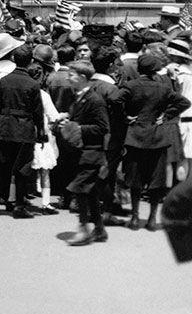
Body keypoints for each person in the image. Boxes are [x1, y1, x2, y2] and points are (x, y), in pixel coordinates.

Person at [121, 49, 190, 230]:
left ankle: (135, 217)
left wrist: (126, 116)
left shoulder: (131, 86)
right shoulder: (164, 88)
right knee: (156, 180)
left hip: (135, 136)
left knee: (135, 179)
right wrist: (166, 116)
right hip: (158, 137)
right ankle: (152, 219)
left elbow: (114, 100)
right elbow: (184, 102)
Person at [0, 37, 45, 219]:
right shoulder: (33, 84)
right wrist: (41, 131)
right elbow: (38, 111)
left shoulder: (4, 81)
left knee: (2, 168)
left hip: (5, 127)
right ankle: (19, 206)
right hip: (24, 129)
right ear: (30, 62)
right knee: (22, 169)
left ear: (14, 58)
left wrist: (1, 124)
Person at [61, 59, 111, 246]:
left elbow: (102, 127)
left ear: (82, 77)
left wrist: (77, 128)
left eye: (71, 74)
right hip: (82, 152)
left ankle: (83, 229)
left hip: (92, 153)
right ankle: (99, 229)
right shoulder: (78, 96)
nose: (68, 77)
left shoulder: (95, 100)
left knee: (80, 189)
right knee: (89, 193)